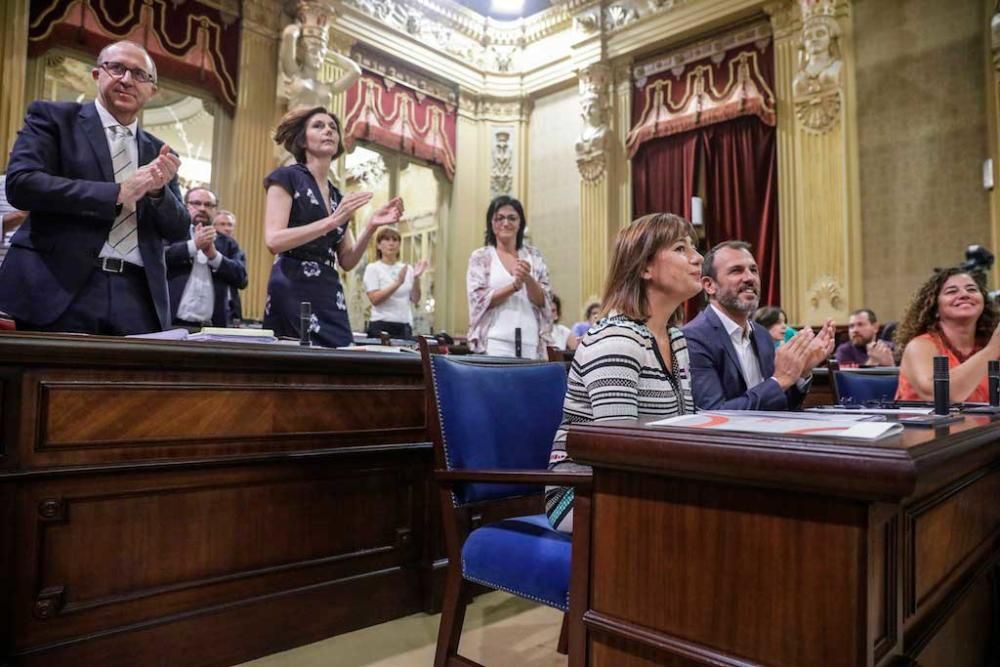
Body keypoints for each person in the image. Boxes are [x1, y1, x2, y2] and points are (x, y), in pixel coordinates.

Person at [0, 40, 188, 334]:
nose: (127, 79)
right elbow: (22, 184)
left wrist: (157, 192)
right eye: (117, 68)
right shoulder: (53, 118)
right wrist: (116, 194)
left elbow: (178, 231)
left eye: (140, 74)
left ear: (152, 90)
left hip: (137, 295)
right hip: (59, 285)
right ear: (97, 75)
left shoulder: (160, 152)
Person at [546, 213, 704, 533]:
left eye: (694, 248)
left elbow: (688, 424)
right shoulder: (616, 339)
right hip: (585, 492)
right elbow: (617, 453)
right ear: (645, 268)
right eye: (680, 248)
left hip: (646, 483)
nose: (698, 258)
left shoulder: (676, 339)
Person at [263, 105, 403, 346]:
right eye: (318, 126)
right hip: (292, 282)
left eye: (333, 127)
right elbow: (274, 240)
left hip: (328, 288)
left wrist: (370, 226)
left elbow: (347, 260)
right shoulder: (286, 177)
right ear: (303, 140)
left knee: (340, 360)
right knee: (298, 365)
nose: (328, 131)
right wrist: (332, 221)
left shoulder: (338, 196)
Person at [684, 241, 835, 411]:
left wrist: (801, 372)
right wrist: (779, 381)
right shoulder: (693, 338)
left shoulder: (762, 335)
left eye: (753, 270)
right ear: (709, 285)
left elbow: (781, 405)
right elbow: (714, 414)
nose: (750, 278)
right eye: (736, 271)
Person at [466, 195, 553, 359]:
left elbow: (545, 301)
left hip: (530, 340)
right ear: (491, 223)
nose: (506, 223)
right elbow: (479, 301)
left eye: (512, 218)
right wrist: (513, 287)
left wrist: (527, 278)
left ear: (520, 223)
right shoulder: (481, 257)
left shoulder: (534, 256)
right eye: (499, 218)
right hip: (494, 341)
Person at [896, 268, 1000, 403]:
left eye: (972, 289)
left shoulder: (987, 343)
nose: (964, 294)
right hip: (926, 424)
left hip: (986, 424)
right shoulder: (920, 346)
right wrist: (992, 350)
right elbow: (939, 395)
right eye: (952, 291)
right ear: (935, 309)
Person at [166, 188, 247, 328]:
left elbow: (242, 279)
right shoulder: (172, 233)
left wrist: (214, 256)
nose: (202, 208)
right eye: (196, 203)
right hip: (171, 324)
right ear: (186, 206)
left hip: (212, 328)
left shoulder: (228, 243)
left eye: (209, 205)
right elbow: (157, 260)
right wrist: (193, 246)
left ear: (215, 210)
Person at [363, 226, 427, 339]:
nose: (391, 243)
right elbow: (375, 299)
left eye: (395, 240)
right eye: (387, 240)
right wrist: (397, 283)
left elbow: (415, 299)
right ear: (378, 245)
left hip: (404, 324)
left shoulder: (407, 269)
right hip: (381, 324)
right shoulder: (373, 268)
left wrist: (416, 278)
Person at [212, 209, 246, 324]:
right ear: (214, 226)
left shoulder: (236, 249)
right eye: (222, 224)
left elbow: (243, 281)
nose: (227, 228)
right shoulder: (208, 246)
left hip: (231, 309)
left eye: (230, 225)